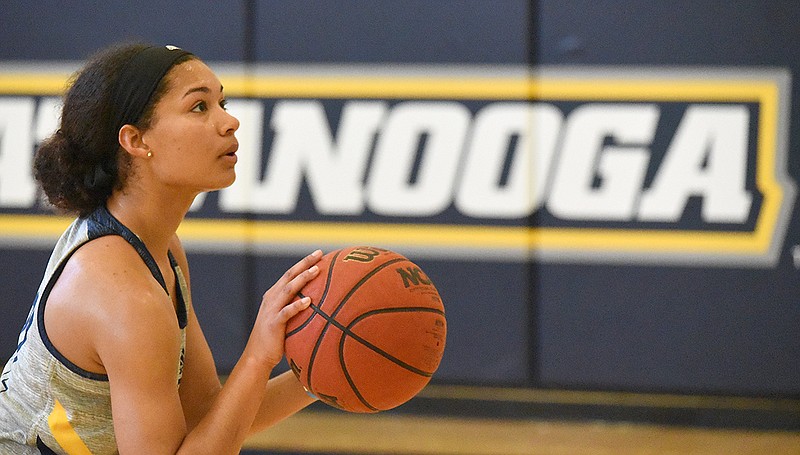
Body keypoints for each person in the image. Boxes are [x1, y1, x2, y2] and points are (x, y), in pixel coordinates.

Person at [0, 43, 322, 454]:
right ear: (136, 140)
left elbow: (207, 415)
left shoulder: (158, 247)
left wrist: (321, 377)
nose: (230, 121)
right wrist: (258, 356)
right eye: (199, 107)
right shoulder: (124, 294)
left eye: (222, 101)